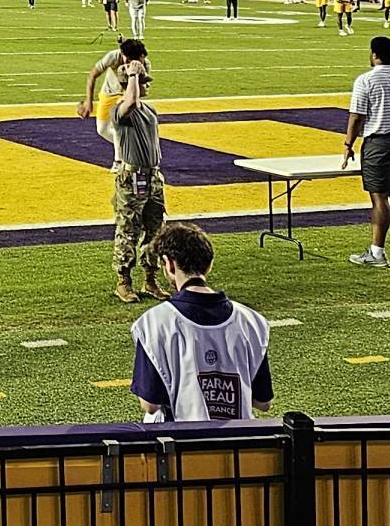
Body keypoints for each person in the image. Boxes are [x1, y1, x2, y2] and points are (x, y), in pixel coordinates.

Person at [128, 223, 273, 423]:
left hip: (180, 439)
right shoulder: (253, 321)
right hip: (238, 438)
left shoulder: (152, 323)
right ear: (209, 264)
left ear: (169, 264)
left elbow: (150, 404)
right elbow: (263, 403)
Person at [342, 35, 390, 267]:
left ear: (374, 54)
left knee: (379, 198)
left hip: (379, 143)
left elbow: (357, 116)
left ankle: (377, 252)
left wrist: (348, 144)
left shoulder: (366, 80)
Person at [110, 56, 167, 302]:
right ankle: (123, 281)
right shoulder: (120, 111)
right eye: (144, 81)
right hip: (132, 178)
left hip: (152, 176)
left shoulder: (148, 110)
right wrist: (133, 74)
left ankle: (150, 280)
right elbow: (130, 101)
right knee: (128, 230)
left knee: (155, 230)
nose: (148, 84)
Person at [76, 38, 149, 146]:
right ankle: (128, 146)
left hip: (127, 96)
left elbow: (143, 92)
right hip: (109, 93)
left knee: (123, 126)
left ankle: (124, 153)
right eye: (128, 60)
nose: (131, 64)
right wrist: (88, 101)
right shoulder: (113, 56)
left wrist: (135, 79)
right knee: (102, 129)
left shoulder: (145, 64)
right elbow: (92, 75)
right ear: (122, 54)